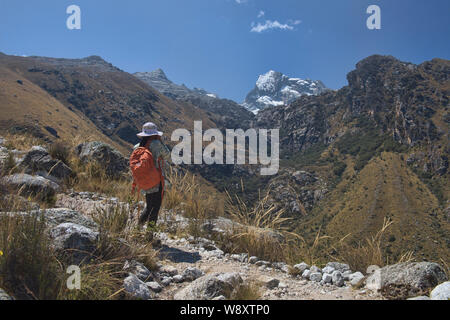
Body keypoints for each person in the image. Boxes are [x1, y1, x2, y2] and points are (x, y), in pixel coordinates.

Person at [133, 122, 170, 226]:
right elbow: (167, 155)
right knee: (155, 208)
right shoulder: (156, 144)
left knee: (149, 206)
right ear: (155, 134)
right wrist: (160, 141)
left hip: (143, 180)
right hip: (156, 180)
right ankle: (149, 234)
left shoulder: (137, 147)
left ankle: (138, 228)